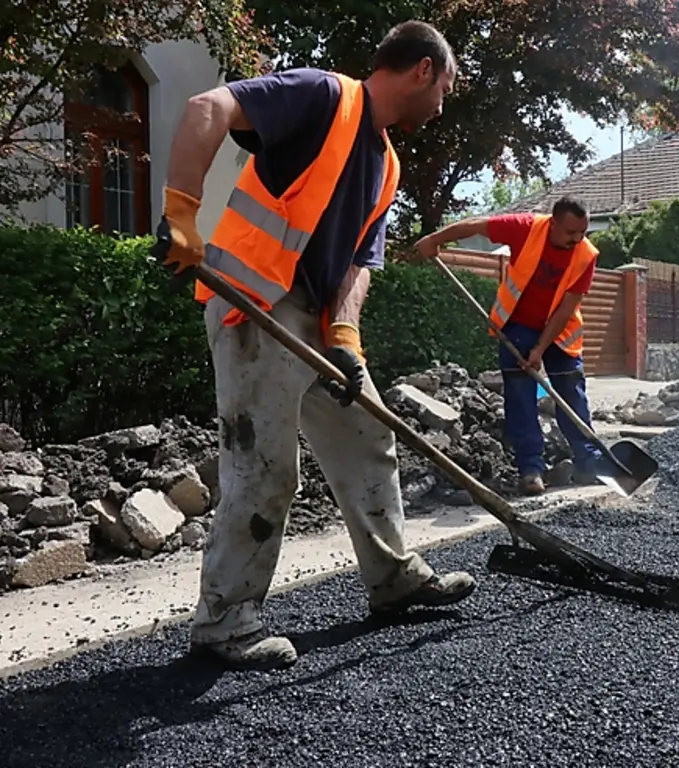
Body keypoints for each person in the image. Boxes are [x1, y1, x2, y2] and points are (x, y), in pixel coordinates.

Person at [155, 21, 476, 672]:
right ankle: (224, 622)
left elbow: (357, 264)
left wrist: (346, 338)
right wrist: (182, 211)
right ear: (421, 69)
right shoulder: (323, 95)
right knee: (265, 468)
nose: (443, 104)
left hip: (317, 320)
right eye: (445, 87)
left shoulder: (386, 165)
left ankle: (392, 578)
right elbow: (206, 108)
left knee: (368, 435)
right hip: (255, 304)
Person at [412, 196, 604, 495]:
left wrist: (540, 349)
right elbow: (476, 225)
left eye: (583, 232)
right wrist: (435, 239)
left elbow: (567, 308)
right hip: (518, 325)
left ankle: (589, 462)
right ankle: (531, 470)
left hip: (560, 331)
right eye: (570, 232)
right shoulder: (526, 228)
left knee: (571, 391)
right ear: (553, 223)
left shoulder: (586, 255)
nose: (577, 239)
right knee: (520, 396)